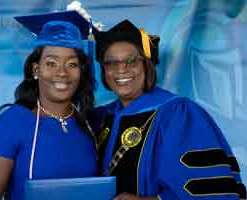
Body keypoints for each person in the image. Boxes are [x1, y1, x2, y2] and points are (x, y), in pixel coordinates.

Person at [91, 19, 246, 200]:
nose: (121, 69)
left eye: (131, 61)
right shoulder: (99, 118)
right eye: (111, 63)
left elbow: (209, 189)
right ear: (104, 70)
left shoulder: (179, 114)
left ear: (146, 66)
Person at [0, 11, 99, 200]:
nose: (62, 73)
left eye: (72, 64)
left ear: (81, 72)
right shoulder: (11, 123)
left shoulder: (88, 124)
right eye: (51, 63)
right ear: (36, 70)